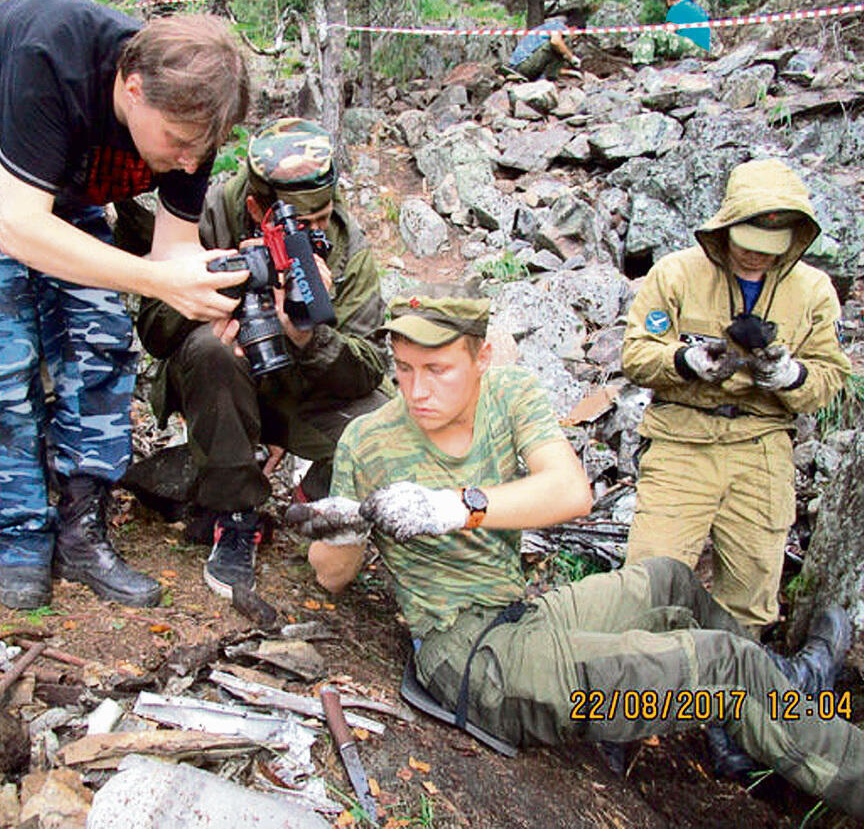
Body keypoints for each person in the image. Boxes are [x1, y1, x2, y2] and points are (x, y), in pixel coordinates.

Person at [284, 294, 864, 820]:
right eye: (403, 369)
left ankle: (778, 698)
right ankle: (809, 738)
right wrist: (348, 528)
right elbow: (331, 579)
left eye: (437, 370)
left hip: (519, 615)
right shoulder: (367, 440)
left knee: (667, 581)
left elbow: (570, 491)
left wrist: (453, 508)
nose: (417, 392)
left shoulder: (508, 396)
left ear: (481, 358)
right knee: (721, 668)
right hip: (470, 659)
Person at [0, 0, 250, 610]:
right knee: (9, 355)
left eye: (200, 148)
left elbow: (174, 251)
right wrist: (156, 281)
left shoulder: (194, 111)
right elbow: (19, 226)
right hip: (9, 193)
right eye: (177, 143)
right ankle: (17, 535)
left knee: (103, 334)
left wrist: (224, 302)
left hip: (68, 192)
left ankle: (82, 531)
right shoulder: (48, 57)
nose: (188, 160)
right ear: (132, 88)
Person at [134, 118, 391, 599]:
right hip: (220, 381)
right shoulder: (211, 213)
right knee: (213, 349)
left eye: (322, 218)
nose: (314, 233)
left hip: (296, 386)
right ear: (256, 206)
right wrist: (210, 297)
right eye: (300, 222)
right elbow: (152, 325)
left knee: (385, 419)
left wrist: (309, 336)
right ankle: (235, 516)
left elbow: (371, 364)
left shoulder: (347, 244)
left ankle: (314, 500)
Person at [622, 158, 850, 631]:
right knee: (647, 586)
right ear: (724, 227)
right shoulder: (676, 274)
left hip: (762, 449)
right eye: (747, 245)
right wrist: (686, 363)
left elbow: (830, 379)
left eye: (770, 250)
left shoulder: (814, 292)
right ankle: (644, 692)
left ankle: (732, 695)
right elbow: (636, 355)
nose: (756, 257)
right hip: (681, 442)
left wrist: (790, 376)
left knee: (750, 596)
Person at [631, 0, 710, 65]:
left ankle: (641, 63)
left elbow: (668, 30)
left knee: (650, 33)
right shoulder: (696, 7)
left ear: (668, 0)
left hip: (693, 47)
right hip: (703, 49)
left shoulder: (676, 8)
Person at [506, 10, 582, 81]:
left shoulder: (552, 27)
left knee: (561, 48)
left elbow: (553, 67)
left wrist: (572, 73)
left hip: (524, 65)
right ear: (574, 29)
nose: (575, 39)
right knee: (561, 45)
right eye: (577, 36)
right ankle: (546, 79)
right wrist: (571, 57)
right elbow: (555, 42)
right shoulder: (559, 27)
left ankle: (545, 79)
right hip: (521, 66)